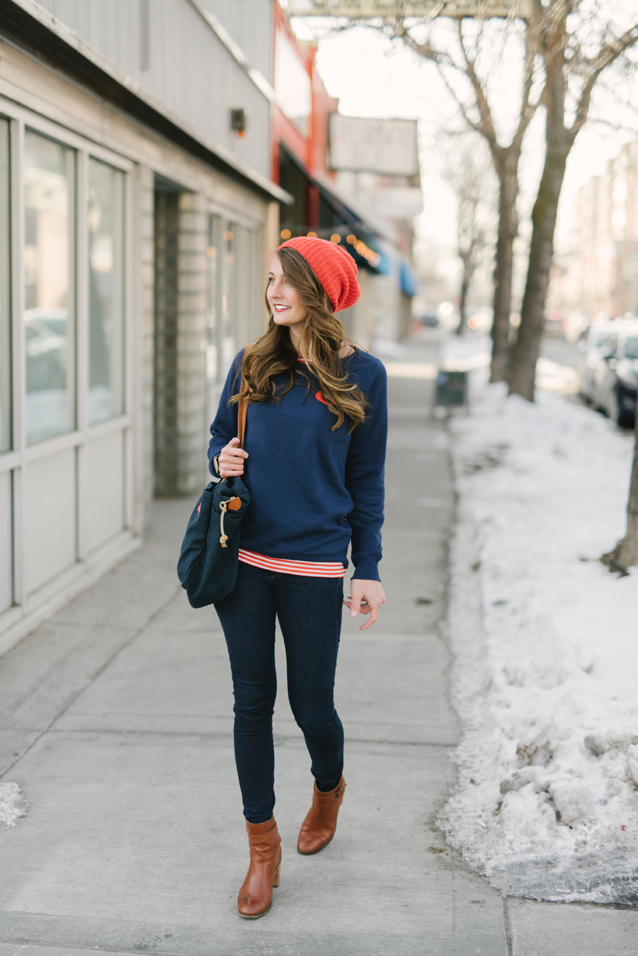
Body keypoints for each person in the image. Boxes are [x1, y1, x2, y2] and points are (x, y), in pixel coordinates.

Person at [208, 236, 388, 919]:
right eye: (270, 280)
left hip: (314, 565)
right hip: (245, 562)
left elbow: (366, 480)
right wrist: (219, 456)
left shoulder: (364, 375)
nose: (272, 292)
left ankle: (329, 786)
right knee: (251, 702)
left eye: (286, 281)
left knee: (312, 707)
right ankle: (262, 848)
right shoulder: (252, 362)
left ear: (321, 291)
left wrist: (366, 567)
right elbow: (217, 437)